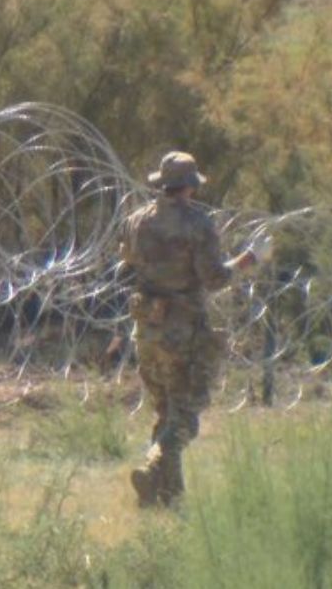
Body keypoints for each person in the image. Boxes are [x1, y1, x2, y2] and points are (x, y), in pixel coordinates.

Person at [120, 151, 268, 507]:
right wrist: (250, 259)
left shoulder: (136, 219)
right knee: (187, 413)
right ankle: (153, 467)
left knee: (166, 413)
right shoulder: (198, 224)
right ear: (190, 187)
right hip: (183, 331)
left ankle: (166, 496)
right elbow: (214, 278)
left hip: (146, 330)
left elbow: (126, 260)